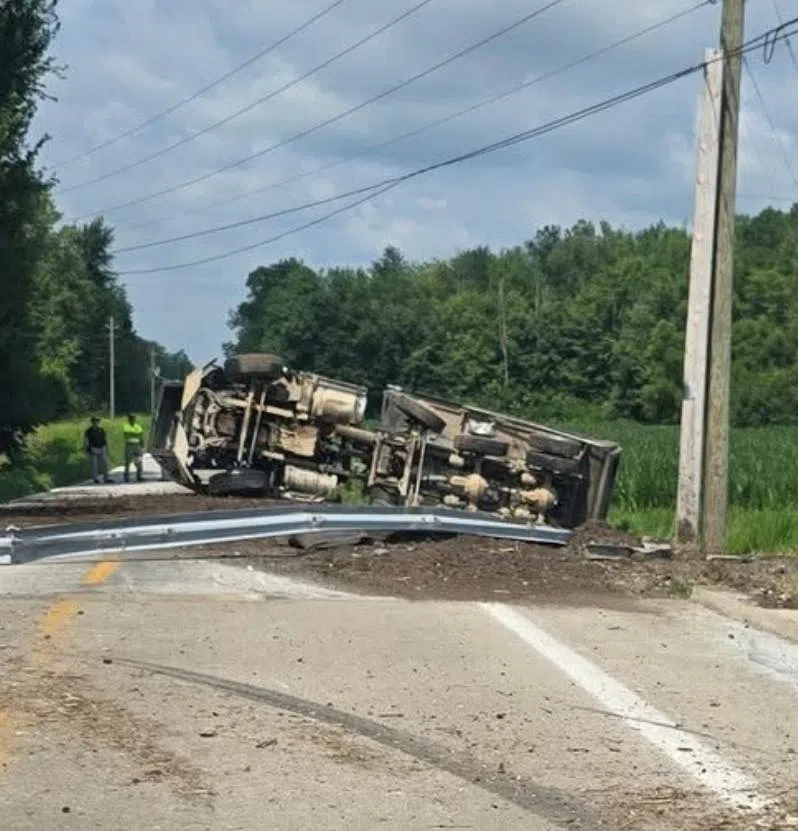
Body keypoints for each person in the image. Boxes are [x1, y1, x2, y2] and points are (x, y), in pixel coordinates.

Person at [84, 417, 111, 484]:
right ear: (92, 422)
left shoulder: (101, 430)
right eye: (94, 421)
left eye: (97, 421)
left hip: (101, 448)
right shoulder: (88, 431)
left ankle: (106, 478)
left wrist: (106, 448)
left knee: (104, 464)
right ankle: (96, 479)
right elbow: (86, 441)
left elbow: (105, 440)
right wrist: (87, 449)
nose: (96, 423)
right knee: (94, 465)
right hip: (93, 449)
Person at [123, 413, 144, 483]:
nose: (132, 419)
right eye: (131, 418)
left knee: (139, 461)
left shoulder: (138, 426)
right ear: (128, 419)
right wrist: (136, 434)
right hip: (129, 445)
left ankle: (139, 476)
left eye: (133, 418)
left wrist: (141, 443)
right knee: (128, 462)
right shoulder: (126, 426)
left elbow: (140, 435)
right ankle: (126, 477)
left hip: (137, 445)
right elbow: (127, 434)